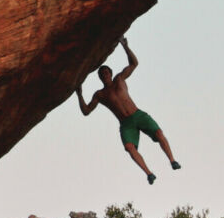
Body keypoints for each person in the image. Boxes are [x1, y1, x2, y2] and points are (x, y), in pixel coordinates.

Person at [77, 37, 181, 184]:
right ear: (100, 77)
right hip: (126, 123)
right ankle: (149, 173)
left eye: (106, 72)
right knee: (129, 147)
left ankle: (172, 160)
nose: (105, 74)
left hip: (137, 114)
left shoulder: (120, 79)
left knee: (158, 133)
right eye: (102, 74)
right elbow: (86, 111)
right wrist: (79, 94)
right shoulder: (100, 94)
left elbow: (134, 63)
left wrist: (125, 47)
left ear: (111, 73)